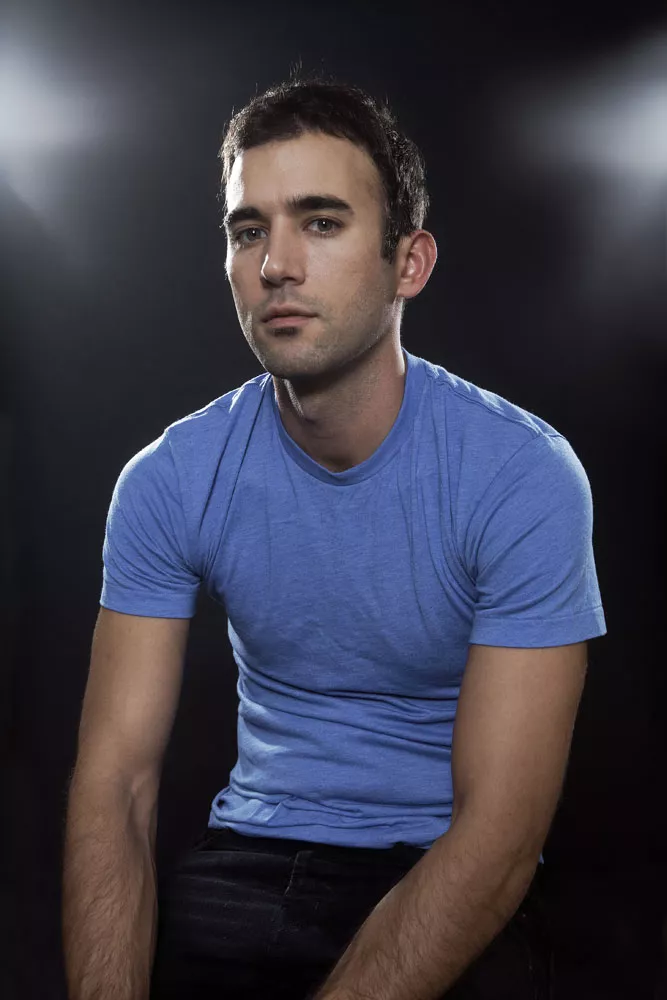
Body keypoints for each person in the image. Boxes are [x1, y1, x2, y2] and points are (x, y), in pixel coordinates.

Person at [61, 71, 607, 1000]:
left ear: (409, 263)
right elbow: (115, 787)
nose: (276, 264)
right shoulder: (169, 478)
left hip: (439, 860)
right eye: (248, 230)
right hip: (249, 857)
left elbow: (500, 835)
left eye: (320, 222)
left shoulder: (520, 473)